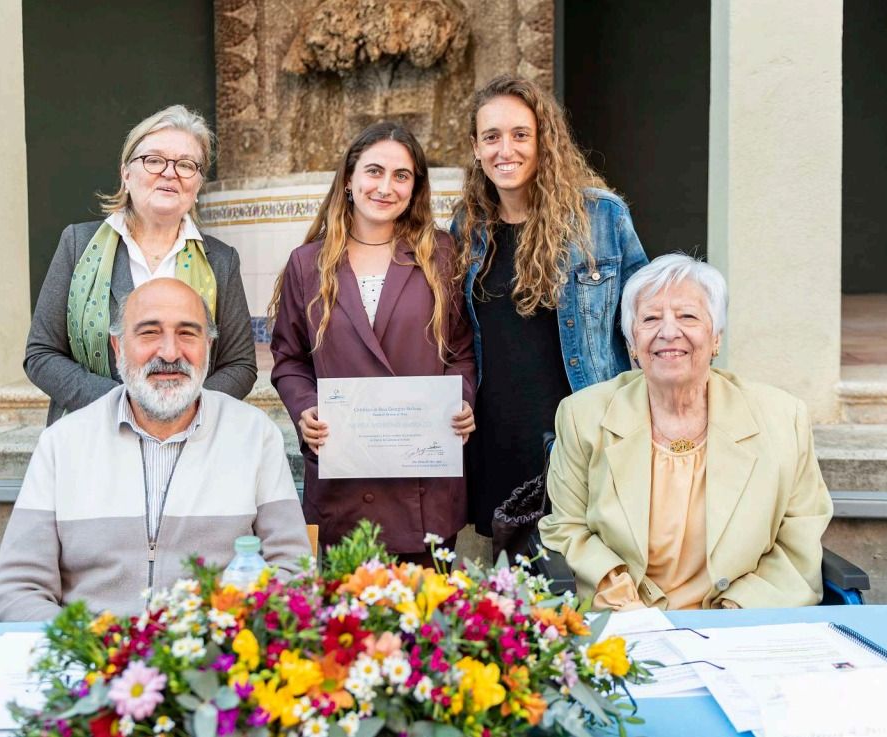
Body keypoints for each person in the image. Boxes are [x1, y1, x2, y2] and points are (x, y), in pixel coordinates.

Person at [0, 279, 310, 621]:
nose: (170, 353)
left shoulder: (254, 435)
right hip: (91, 658)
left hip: (212, 660)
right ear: (118, 346)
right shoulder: (63, 443)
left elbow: (293, 572)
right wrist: (91, 648)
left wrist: (224, 642)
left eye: (187, 333)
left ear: (208, 347)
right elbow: (16, 590)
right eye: (149, 333)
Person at [539, 254, 834, 610]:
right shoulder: (582, 415)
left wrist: (736, 614)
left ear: (716, 338)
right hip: (626, 623)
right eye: (650, 319)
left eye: (687, 317)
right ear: (632, 343)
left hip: (742, 626)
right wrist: (617, 596)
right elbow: (566, 528)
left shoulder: (783, 418)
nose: (668, 332)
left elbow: (798, 538)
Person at [451, 74, 649, 541]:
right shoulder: (467, 226)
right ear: (476, 148)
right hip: (496, 437)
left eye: (521, 134)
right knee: (513, 587)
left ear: (545, 141)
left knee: (580, 580)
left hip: (581, 435)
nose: (506, 150)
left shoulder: (601, 217)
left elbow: (646, 318)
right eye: (492, 137)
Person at [269, 122, 476, 564]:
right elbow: (288, 359)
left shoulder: (440, 254)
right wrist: (306, 408)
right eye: (374, 171)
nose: (386, 187)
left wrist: (461, 402)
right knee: (347, 629)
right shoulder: (308, 264)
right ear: (349, 179)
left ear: (415, 186)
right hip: (344, 482)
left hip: (423, 487)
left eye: (401, 176)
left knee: (425, 623)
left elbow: (461, 350)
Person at [25, 104, 256, 425]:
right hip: (91, 432)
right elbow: (41, 355)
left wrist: (182, 410)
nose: (170, 172)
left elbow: (240, 365)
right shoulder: (77, 245)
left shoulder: (221, 260)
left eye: (187, 164)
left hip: (190, 438)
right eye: (154, 160)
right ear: (126, 172)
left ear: (198, 183)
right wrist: (124, 406)